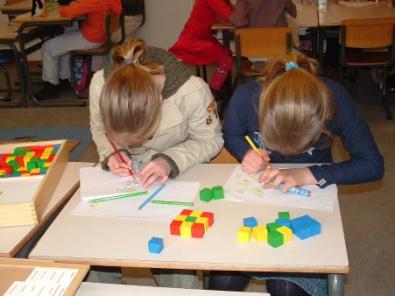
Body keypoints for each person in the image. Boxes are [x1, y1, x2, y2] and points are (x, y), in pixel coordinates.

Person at [209, 53, 384, 296]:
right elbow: (232, 134)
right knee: (223, 279)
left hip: (309, 194)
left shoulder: (334, 99)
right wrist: (246, 152)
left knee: (286, 286)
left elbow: (372, 165)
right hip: (257, 188)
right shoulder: (246, 98)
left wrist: (310, 174)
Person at [89, 38, 223, 287]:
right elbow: (98, 127)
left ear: (160, 102)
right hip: (122, 178)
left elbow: (210, 140)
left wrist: (170, 161)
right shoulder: (100, 83)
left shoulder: (192, 92)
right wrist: (112, 152)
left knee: (177, 246)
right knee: (95, 244)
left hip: (177, 173)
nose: (136, 146)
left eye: (142, 138)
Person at [34, 0, 122, 100]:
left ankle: (50, 88)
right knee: (65, 39)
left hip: (90, 37)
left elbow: (69, 12)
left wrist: (60, 8)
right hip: (101, 36)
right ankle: (64, 80)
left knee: (48, 47)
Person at [169, 0, 236, 99]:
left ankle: (223, 91)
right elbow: (230, 16)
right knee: (227, 61)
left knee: (226, 54)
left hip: (200, 37)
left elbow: (230, 12)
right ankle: (213, 93)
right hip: (194, 41)